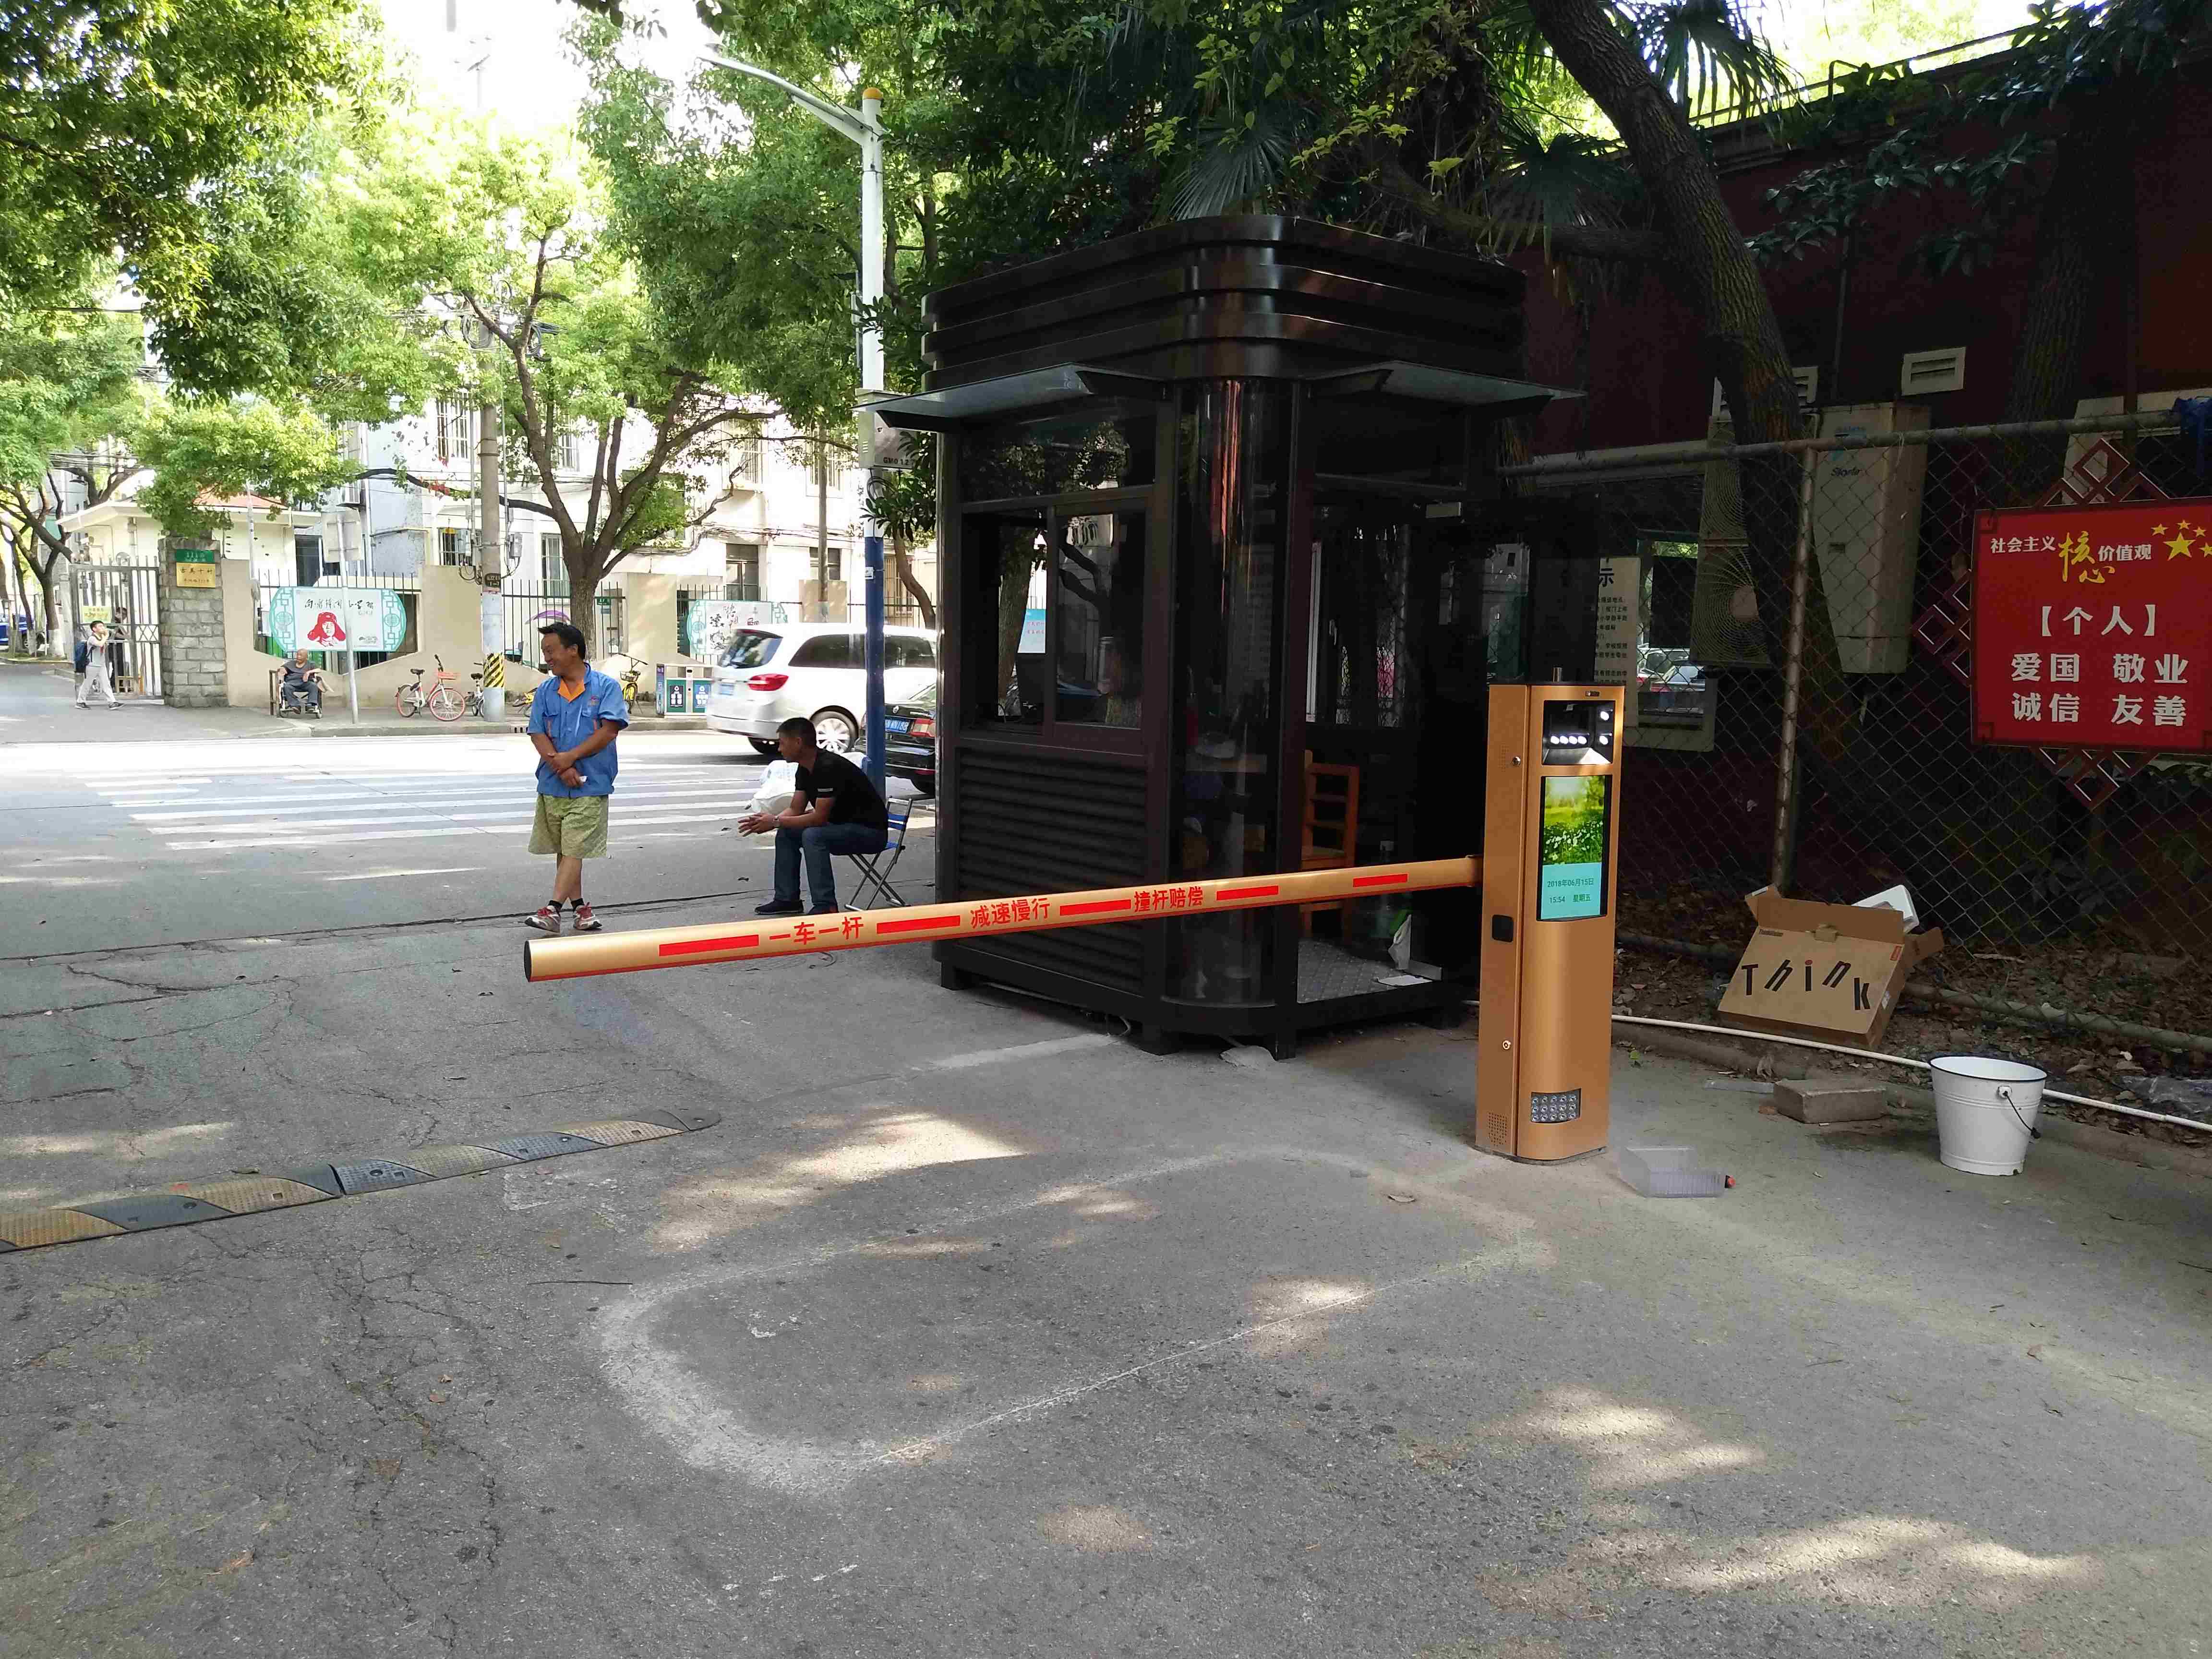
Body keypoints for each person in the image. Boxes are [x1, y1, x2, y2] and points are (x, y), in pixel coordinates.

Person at [521, 620, 629, 935]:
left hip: (591, 784)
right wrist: (562, 766)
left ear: (573, 651)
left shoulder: (606, 688)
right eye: (544, 652)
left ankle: (552, 909)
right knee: (568, 849)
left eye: (551, 651)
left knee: (574, 847)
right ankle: (581, 909)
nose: (547, 658)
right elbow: (537, 733)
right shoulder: (546, 690)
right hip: (553, 783)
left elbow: (609, 731)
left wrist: (572, 757)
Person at [740, 716, 887, 915]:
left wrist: (775, 821)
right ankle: (787, 900)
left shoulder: (828, 767)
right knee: (787, 833)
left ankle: (826, 905)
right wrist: (768, 822)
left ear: (798, 742)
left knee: (813, 835)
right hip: (840, 826)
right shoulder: (804, 768)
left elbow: (819, 819)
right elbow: (795, 809)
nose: (780, 749)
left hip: (870, 832)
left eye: (782, 743)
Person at [75, 620, 119, 709]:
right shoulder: (92, 638)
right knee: (87, 684)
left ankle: (112, 702)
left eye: (103, 626)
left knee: (106, 684)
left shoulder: (102, 637)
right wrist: (106, 636)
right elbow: (100, 645)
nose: (103, 628)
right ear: (94, 629)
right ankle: (80, 702)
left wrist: (106, 636)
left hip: (101, 665)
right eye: (100, 626)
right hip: (92, 665)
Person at [279, 650, 323, 715]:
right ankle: (295, 705)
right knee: (286, 687)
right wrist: (283, 669)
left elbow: (319, 670)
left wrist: (309, 672)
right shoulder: (291, 664)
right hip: (292, 683)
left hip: (306, 683)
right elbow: (283, 668)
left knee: (314, 686)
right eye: (297, 655)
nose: (298, 657)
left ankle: (311, 705)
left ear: (306, 657)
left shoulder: (311, 664)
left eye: (301, 655)